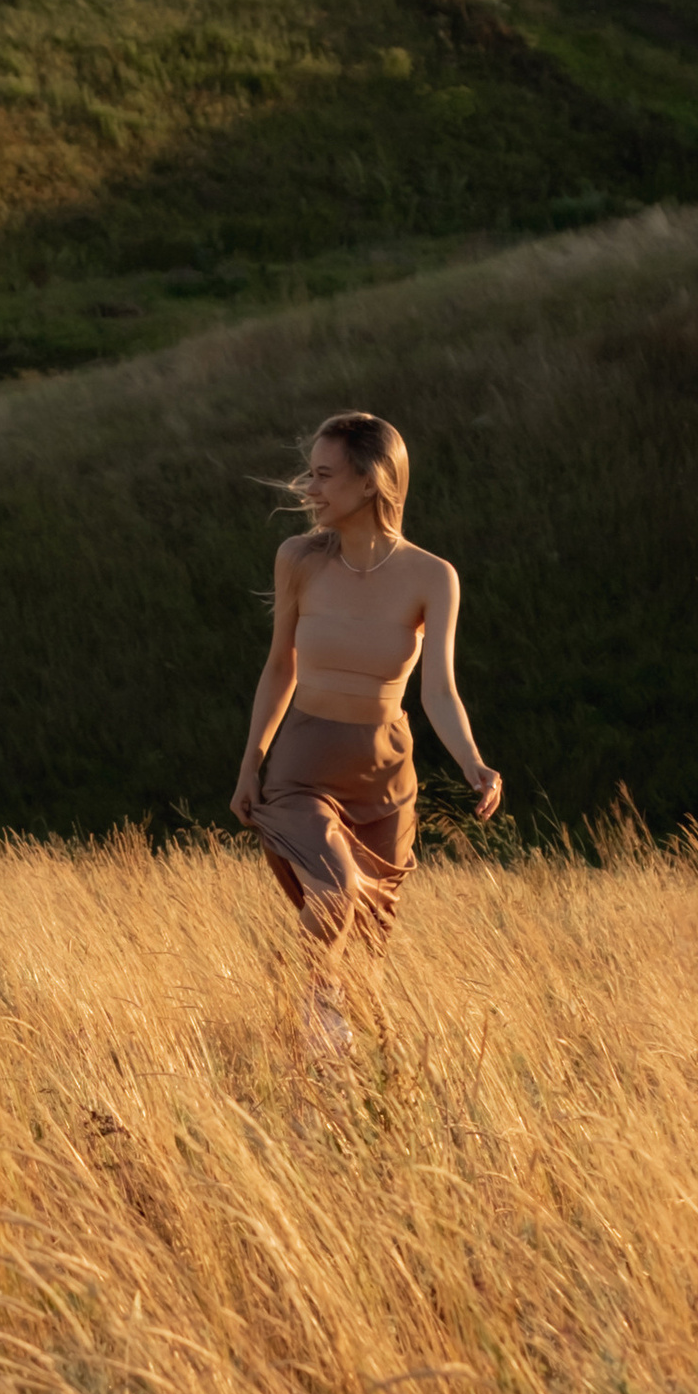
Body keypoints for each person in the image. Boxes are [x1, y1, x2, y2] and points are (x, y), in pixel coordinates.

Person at [230, 411, 501, 1041]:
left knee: (366, 956)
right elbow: (279, 668)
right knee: (332, 895)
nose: (310, 489)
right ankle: (297, 1004)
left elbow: (438, 689)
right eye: (311, 474)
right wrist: (251, 764)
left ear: (371, 481)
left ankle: (327, 1050)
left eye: (324, 475)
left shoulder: (432, 577)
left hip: (385, 780)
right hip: (303, 768)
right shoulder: (298, 558)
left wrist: (473, 762)